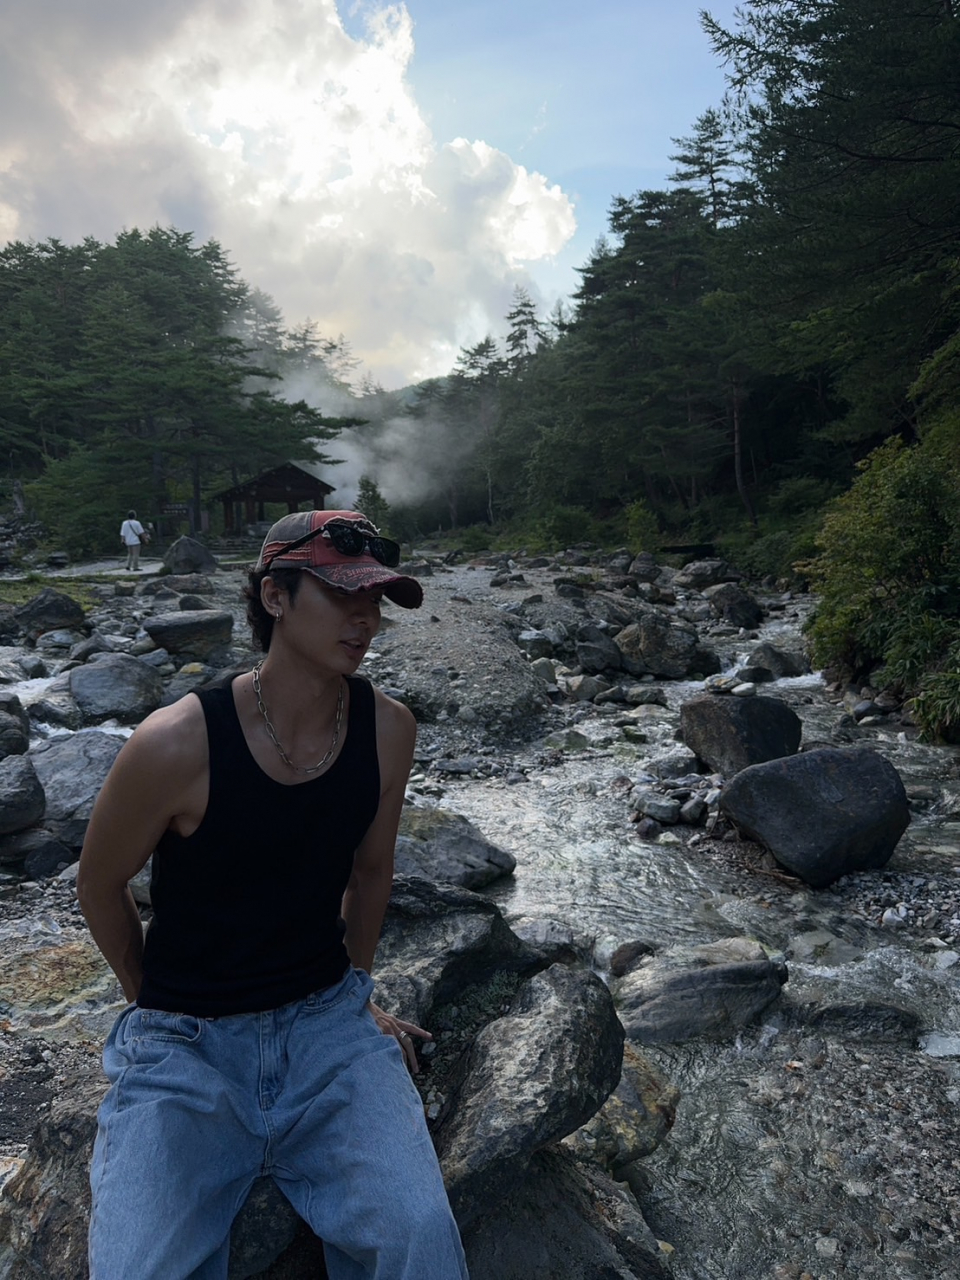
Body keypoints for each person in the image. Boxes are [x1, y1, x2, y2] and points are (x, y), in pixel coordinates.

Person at [77, 508, 469, 1280]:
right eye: (342, 594)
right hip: (186, 1050)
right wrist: (148, 1002)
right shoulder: (177, 743)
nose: (366, 617)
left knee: (419, 1236)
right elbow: (98, 883)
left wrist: (357, 995)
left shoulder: (388, 730)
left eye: (376, 598)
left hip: (327, 1032)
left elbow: (371, 872)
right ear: (274, 596)